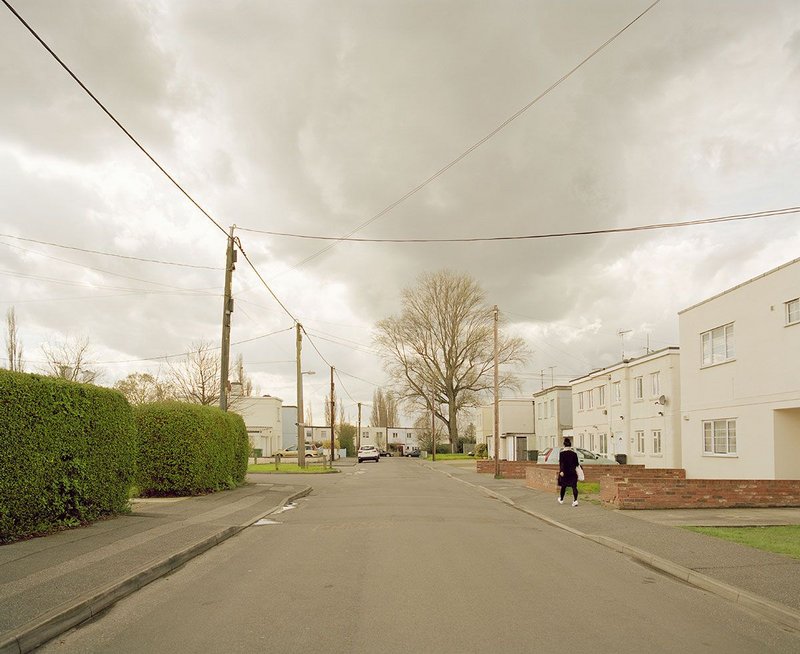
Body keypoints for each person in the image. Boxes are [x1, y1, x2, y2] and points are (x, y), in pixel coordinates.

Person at [558, 437, 580, 506]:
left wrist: (561, 471)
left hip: (565, 473)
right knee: (574, 487)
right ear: (570, 445)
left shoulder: (562, 454)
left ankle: (561, 499)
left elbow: (561, 463)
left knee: (563, 486)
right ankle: (575, 500)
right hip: (572, 473)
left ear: (564, 445)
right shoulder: (574, 454)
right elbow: (577, 464)